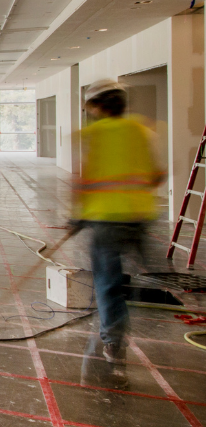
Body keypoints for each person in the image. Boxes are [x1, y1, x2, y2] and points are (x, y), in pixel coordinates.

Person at [72, 79, 165, 363]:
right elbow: (157, 175)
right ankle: (130, 316)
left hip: (105, 220)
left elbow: (82, 180)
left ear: (96, 107)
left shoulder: (92, 134)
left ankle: (114, 342)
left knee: (108, 282)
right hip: (140, 217)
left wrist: (77, 214)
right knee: (149, 274)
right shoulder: (143, 130)